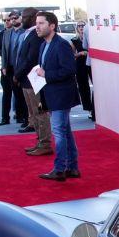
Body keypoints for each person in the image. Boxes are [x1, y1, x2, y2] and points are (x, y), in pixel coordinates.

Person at [34, 12, 80, 181]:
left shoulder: (61, 44)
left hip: (61, 95)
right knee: (65, 132)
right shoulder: (44, 45)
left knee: (59, 132)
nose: (37, 27)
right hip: (51, 95)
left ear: (52, 26)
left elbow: (69, 70)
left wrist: (47, 74)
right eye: (36, 23)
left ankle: (60, 169)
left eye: (41, 23)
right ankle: (72, 167)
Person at [14, 8, 52, 154]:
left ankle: (45, 144)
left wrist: (17, 75)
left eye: (25, 17)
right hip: (25, 81)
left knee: (39, 113)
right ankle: (40, 141)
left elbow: (30, 60)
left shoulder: (36, 35)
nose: (21, 19)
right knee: (33, 114)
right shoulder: (27, 34)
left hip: (34, 81)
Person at [0, 12, 19, 126]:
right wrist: (5, 56)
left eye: (9, 20)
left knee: (18, 94)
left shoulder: (19, 33)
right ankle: (5, 117)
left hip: (16, 68)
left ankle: (20, 115)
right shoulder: (1, 35)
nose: (7, 22)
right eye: (5, 20)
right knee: (6, 94)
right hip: (5, 68)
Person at [72, 22, 94, 122]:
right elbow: (71, 55)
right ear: (77, 28)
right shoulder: (74, 40)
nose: (81, 27)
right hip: (80, 64)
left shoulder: (92, 37)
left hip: (90, 64)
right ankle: (89, 108)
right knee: (83, 87)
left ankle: (93, 108)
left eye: (82, 25)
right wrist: (80, 53)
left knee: (94, 84)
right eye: (79, 26)